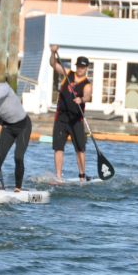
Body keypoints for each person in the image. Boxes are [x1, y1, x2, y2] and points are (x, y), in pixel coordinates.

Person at [49, 45, 93, 182]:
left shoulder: (87, 84)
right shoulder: (68, 74)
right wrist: (53, 53)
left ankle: (81, 176)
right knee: (58, 147)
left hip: (76, 119)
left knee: (80, 149)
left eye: (83, 67)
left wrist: (81, 99)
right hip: (61, 118)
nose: (80, 69)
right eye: (79, 66)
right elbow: (53, 64)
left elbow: (88, 96)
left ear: (86, 68)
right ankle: (58, 176)